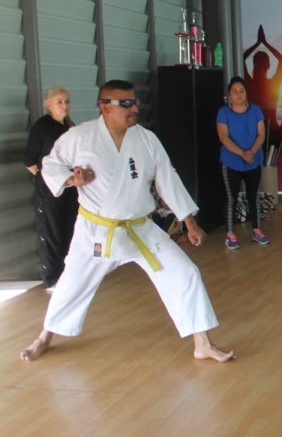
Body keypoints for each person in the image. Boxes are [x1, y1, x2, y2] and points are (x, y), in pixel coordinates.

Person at [20, 80, 234, 363]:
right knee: (71, 283)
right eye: (126, 104)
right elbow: (50, 164)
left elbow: (166, 177)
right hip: (97, 230)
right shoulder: (80, 137)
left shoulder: (145, 139)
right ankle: (44, 337)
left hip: (140, 228)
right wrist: (72, 179)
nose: (134, 108)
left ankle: (202, 343)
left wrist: (189, 221)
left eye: (135, 103)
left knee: (186, 273)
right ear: (105, 107)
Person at [23, 86, 78, 290]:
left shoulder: (70, 126)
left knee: (69, 228)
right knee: (52, 230)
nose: (64, 105)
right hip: (49, 190)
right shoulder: (42, 127)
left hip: (70, 186)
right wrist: (47, 179)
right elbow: (29, 160)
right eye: (59, 102)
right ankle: (52, 278)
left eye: (67, 101)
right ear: (48, 105)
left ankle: (67, 274)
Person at [217, 76, 270, 249]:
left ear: (246, 93)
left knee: (253, 195)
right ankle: (230, 234)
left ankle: (257, 230)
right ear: (229, 95)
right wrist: (242, 153)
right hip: (231, 161)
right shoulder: (223, 113)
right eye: (235, 92)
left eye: (242, 91)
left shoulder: (255, 110)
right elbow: (224, 137)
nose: (239, 95)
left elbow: (261, 134)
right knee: (231, 198)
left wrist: (252, 152)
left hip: (253, 160)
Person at [243, 25, 282, 137]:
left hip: (254, 134)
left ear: (254, 65)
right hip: (273, 133)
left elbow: (242, 58)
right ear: (269, 65)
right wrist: (265, 43)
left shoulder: (249, 83)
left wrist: (258, 43)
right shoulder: (274, 83)